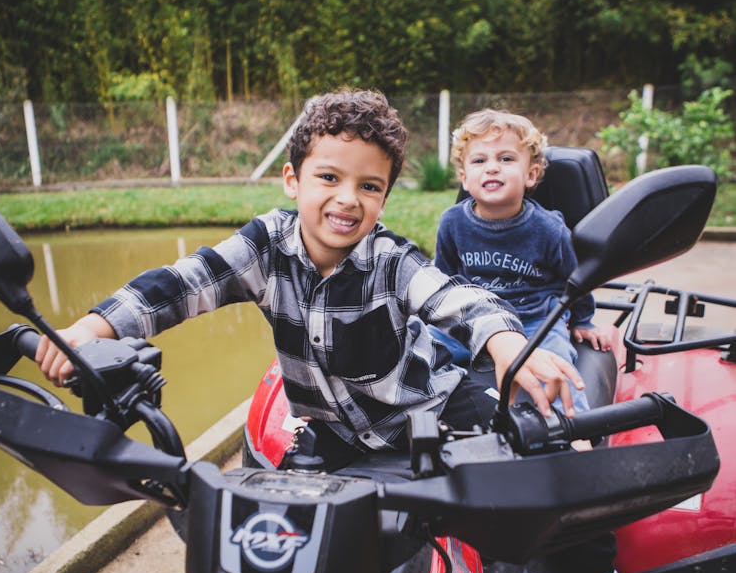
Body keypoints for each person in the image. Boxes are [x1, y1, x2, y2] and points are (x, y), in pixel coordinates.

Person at [36, 88, 582, 479]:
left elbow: (453, 295)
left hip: (429, 410)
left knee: (545, 460)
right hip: (334, 433)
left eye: (369, 186)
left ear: (384, 199)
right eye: (329, 177)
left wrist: (506, 340)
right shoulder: (262, 246)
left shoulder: (391, 258)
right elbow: (182, 283)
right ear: (293, 179)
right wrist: (94, 324)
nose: (348, 199)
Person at [433, 107, 670, 573]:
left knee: (563, 405)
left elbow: (572, 280)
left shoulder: (547, 228)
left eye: (506, 158)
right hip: (472, 323)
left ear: (532, 172)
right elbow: (444, 282)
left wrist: (583, 317)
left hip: (537, 324)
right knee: (415, 369)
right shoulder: (451, 223)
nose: (492, 168)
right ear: (464, 174)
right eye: (479, 160)